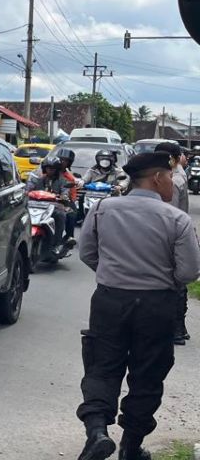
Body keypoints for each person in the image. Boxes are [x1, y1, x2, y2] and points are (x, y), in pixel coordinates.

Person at [74, 152, 200, 460]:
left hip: (110, 300)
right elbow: (189, 272)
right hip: (157, 305)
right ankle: (130, 447)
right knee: (148, 373)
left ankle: (97, 432)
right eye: (169, 176)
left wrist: (113, 274)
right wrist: (162, 280)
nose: (172, 182)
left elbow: (87, 253)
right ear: (157, 178)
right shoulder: (177, 219)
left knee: (102, 365)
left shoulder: (102, 209)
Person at [156, 142, 191, 346]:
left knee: (174, 283)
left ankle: (176, 329)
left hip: (170, 236)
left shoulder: (173, 180)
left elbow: (170, 214)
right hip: (176, 234)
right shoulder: (175, 175)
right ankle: (179, 328)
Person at [27, 156, 79, 246]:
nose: (50, 170)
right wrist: (26, 192)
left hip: (55, 206)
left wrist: (63, 196)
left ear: (57, 169)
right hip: (36, 205)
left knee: (61, 215)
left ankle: (57, 243)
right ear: (44, 168)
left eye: (53, 168)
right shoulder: (38, 179)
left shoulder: (62, 181)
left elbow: (65, 192)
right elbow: (28, 189)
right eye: (48, 168)